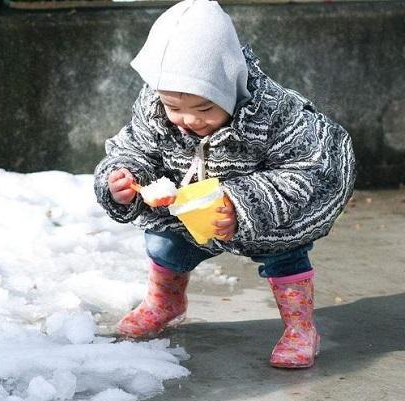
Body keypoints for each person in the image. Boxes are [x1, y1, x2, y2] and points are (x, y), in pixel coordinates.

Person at [93, 0, 355, 369]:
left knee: (285, 253)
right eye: (174, 106)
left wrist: (242, 204)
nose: (187, 120)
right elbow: (135, 148)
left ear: (230, 85)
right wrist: (121, 179)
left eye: (204, 109)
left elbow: (307, 168)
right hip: (187, 211)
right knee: (162, 242)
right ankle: (165, 301)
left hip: (260, 210)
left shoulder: (273, 113)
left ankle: (301, 327)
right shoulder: (156, 108)